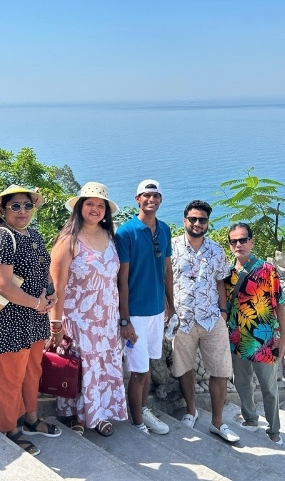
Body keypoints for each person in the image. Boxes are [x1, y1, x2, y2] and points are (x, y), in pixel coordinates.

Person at [0, 185, 62, 457]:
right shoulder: (1, 237)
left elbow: (44, 268)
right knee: (8, 378)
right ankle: (9, 430)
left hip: (33, 320)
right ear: (3, 209)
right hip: (7, 321)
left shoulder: (34, 235)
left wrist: (51, 294)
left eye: (27, 205)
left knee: (31, 373)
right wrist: (37, 303)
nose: (22, 211)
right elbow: (3, 285)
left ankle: (31, 419)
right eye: (15, 206)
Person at [49, 182, 128, 437]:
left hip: (107, 319)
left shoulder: (111, 237)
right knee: (82, 368)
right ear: (80, 207)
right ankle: (79, 416)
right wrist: (56, 324)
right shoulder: (68, 240)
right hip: (79, 319)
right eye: (90, 203)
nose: (95, 209)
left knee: (103, 368)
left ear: (106, 211)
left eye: (100, 205)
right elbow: (57, 286)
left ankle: (100, 414)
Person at [170, 200, 240, 442]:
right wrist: (169, 311)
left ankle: (217, 422)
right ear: (185, 221)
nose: (197, 223)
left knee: (220, 371)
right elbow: (165, 279)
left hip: (211, 319)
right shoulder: (172, 247)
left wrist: (223, 311)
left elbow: (220, 281)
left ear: (207, 223)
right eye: (193, 219)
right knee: (184, 367)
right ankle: (191, 410)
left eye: (202, 220)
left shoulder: (216, 250)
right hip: (183, 319)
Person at [115, 179, 176, 435]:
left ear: (160, 199)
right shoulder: (126, 232)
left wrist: (171, 305)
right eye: (146, 195)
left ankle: (143, 411)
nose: (151, 200)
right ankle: (138, 422)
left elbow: (167, 270)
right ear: (137, 199)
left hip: (156, 311)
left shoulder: (164, 229)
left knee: (148, 365)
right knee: (138, 372)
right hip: (136, 314)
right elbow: (122, 279)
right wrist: (125, 319)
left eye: (156, 195)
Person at [225, 222, 285, 445]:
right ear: (230, 245)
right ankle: (250, 418)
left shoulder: (267, 269)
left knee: (269, 387)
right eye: (234, 241)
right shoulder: (226, 272)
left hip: (264, 340)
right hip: (237, 339)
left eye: (243, 240)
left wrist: (283, 336)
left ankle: (274, 430)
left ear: (251, 242)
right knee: (242, 383)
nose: (239, 244)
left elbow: (279, 303)